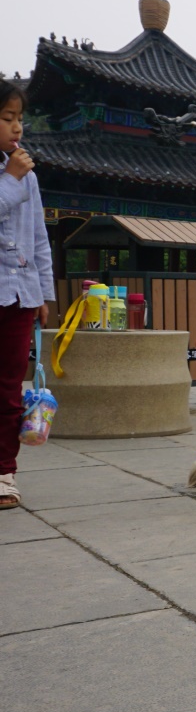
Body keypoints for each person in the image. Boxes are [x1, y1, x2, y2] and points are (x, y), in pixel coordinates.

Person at [0, 79, 54, 509]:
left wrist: (43, 294)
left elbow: (39, 238)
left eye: (19, 119)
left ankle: (4, 472)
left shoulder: (26, 173)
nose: (17, 128)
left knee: (8, 389)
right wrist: (10, 180)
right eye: (6, 118)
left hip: (19, 296)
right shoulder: (17, 174)